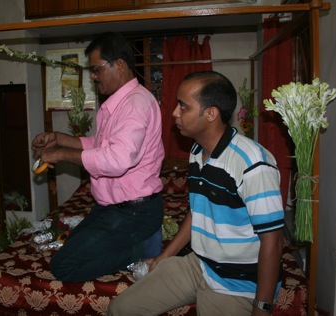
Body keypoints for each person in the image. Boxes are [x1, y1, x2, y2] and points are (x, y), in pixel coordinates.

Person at [107, 71, 285, 316]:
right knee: (120, 309)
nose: (174, 113)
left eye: (183, 106)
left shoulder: (252, 164)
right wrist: (164, 257)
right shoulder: (197, 151)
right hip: (199, 264)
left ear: (211, 114)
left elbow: (273, 240)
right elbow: (197, 211)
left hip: (238, 282)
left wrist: (262, 307)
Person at [32, 32, 165, 282]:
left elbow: (117, 159)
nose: (93, 76)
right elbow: (99, 144)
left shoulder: (135, 104)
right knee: (75, 245)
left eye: (96, 69)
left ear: (120, 65)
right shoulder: (119, 103)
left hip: (133, 213)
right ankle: (136, 243)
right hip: (112, 208)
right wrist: (59, 138)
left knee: (63, 266)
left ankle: (141, 249)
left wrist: (61, 154)